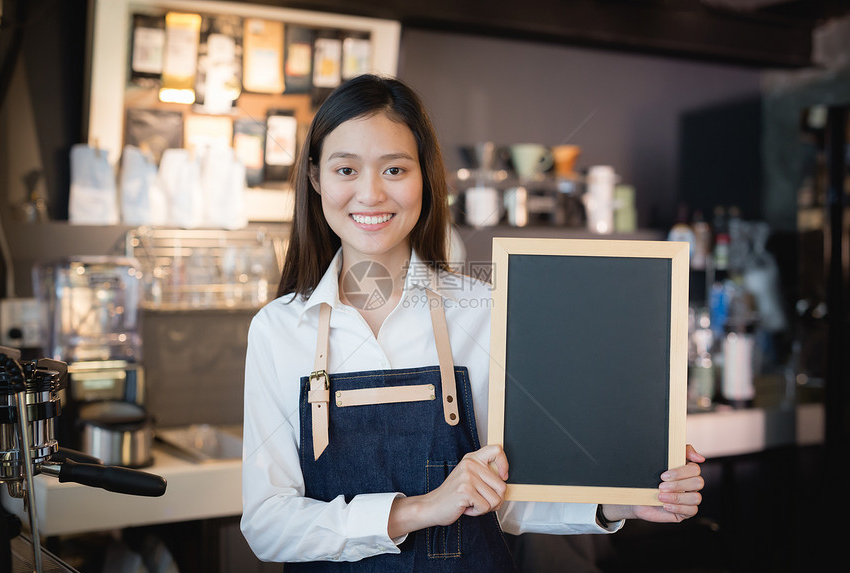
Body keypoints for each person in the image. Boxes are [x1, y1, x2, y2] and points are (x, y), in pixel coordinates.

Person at [241, 73, 705, 570]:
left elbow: (509, 496)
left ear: (425, 177)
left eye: (394, 169)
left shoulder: (486, 310)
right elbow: (269, 524)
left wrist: (621, 498)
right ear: (315, 180)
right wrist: (419, 509)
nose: (371, 194)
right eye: (346, 170)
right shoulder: (278, 329)